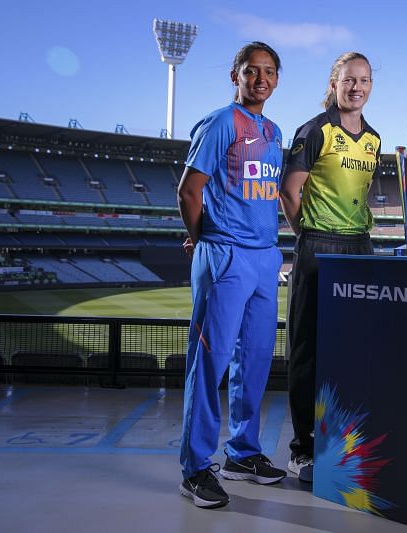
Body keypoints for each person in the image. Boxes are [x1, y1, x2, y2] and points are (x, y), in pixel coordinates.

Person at [176, 41, 286, 509]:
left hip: (264, 257)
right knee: (211, 363)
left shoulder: (274, 130)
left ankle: (242, 453)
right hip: (224, 254)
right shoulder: (222, 122)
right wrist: (203, 236)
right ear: (235, 75)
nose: (260, 79)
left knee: (255, 360)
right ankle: (195, 469)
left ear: (277, 78)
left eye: (268, 71)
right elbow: (188, 190)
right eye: (251, 71)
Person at [280, 52, 381, 483]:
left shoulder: (375, 138)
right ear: (334, 83)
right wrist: (309, 233)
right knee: (307, 350)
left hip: (360, 246)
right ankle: (303, 449)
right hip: (319, 246)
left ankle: (344, 441)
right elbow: (289, 190)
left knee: (356, 351)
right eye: (348, 80)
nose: (356, 87)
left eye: (364, 80)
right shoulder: (316, 130)